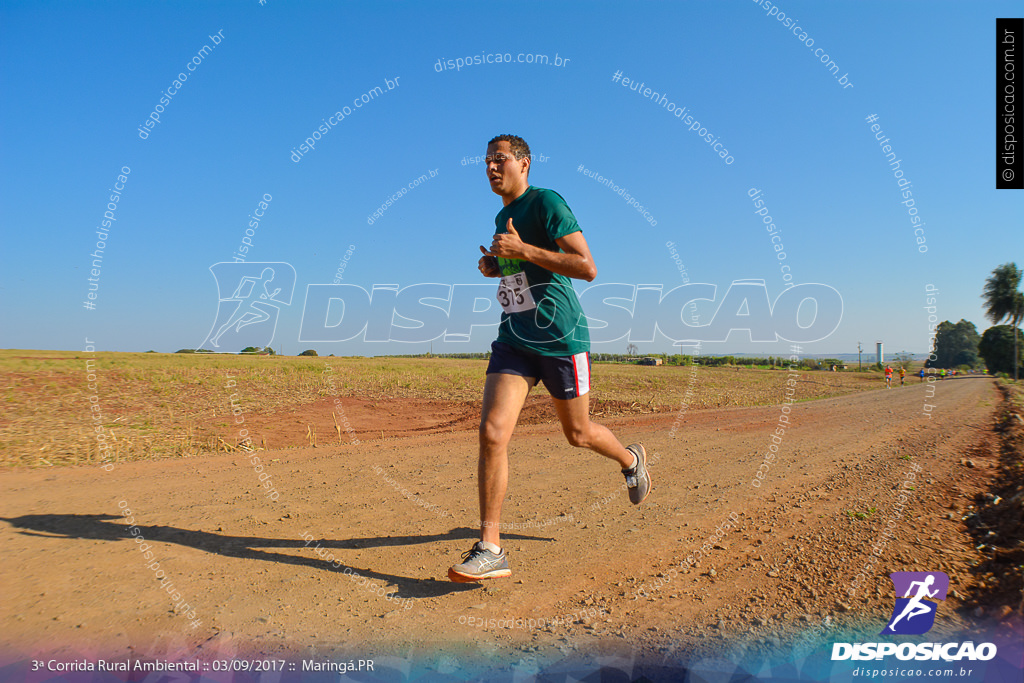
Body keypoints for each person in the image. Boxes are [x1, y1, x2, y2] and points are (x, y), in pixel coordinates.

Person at [448, 134, 652, 583]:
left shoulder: (546, 203)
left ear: (524, 163)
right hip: (515, 336)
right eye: (486, 161)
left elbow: (586, 267)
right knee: (492, 431)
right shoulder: (502, 215)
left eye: (499, 159)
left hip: (562, 338)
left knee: (577, 433)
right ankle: (491, 547)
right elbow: (523, 270)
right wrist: (496, 267)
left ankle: (631, 461)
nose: (490, 168)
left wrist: (521, 251)